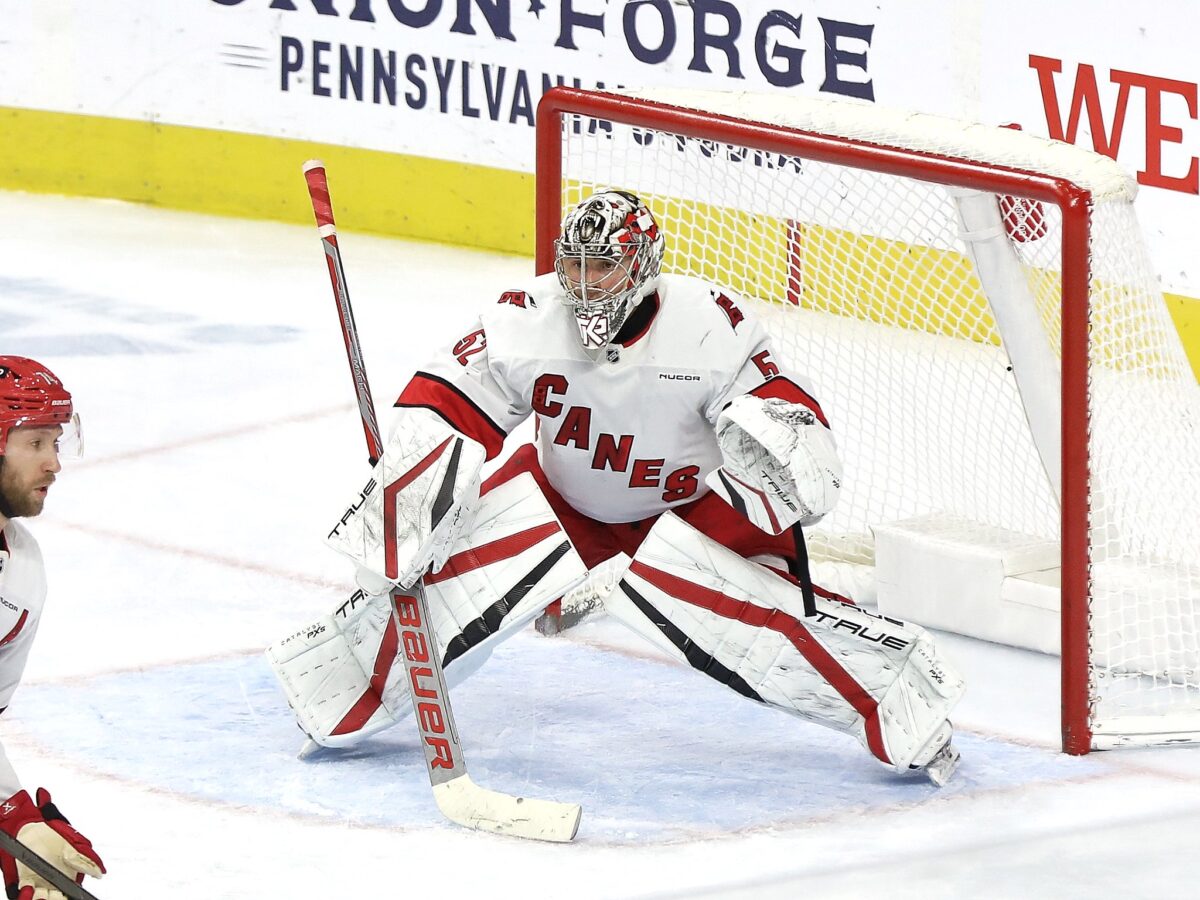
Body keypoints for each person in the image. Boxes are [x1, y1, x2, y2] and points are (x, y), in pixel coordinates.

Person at [270, 191, 964, 785]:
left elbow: (777, 411)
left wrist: (784, 445)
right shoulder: (528, 316)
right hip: (563, 504)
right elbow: (447, 402)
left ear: (641, 267)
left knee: (763, 636)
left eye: (601, 266)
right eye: (572, 263)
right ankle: (339, 691)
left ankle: (904, 704)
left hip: (686, 515)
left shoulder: (708, 327)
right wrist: (410, 497)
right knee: (443, 592)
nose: (583, 282)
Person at [0, 358, 105, 898]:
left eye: (57, 443)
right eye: (36, 443)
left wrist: (13, 811)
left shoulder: (22, 569)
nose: (54, 464)